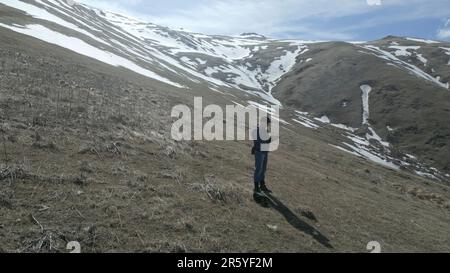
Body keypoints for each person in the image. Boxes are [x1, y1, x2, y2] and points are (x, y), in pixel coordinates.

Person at [252, 117, 273, 196]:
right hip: (259, 152)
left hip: (264, 151)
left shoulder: (264, 130)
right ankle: (256, 186)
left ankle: (262, 184)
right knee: (258, 169)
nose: (268, 125)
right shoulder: (257, 130)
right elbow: (260, 141)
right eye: (267, 123)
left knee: (263, 169)